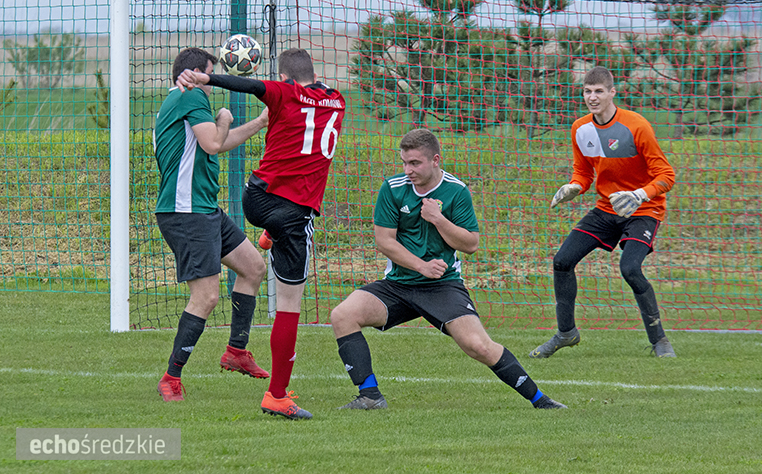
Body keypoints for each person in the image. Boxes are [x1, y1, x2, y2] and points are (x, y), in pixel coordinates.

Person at [330, 128, 567, 411]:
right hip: (399, 283)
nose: (408, 170)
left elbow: (471, 244)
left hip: (442, 285)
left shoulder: (456, 190)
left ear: (435, 160)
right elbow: (384, 241)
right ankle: (370, 396)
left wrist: (438, 219)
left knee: (478, 345)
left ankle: (541, 401)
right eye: (404, 162)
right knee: (343, 315)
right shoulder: (392, 188)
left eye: (415, 163)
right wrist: (421, 266)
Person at [176, 48, 346, 420]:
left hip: (256, 197)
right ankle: (277, 396)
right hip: (292, 212)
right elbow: (263, 87)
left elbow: (252, 85)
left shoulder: (283, 92)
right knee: (289, 306)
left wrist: (208, 79)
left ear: (282, 77)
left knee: (268, 254)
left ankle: (269, 236)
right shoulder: (337, 101)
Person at [529, 66, 677, 359]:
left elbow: (666, 175)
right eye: (587, 91)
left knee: (630, 269)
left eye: (599, 91)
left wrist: (639, 194)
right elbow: (583, 172)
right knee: (562, 261)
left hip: (643, 210)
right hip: (606, 209)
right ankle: (566, 333)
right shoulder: (580, 128)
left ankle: (660, 341)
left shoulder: (637, 126)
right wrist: (574, 186)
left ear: (612, 93)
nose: (592, 97)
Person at [154, 47, 270, 402]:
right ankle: (170, 378)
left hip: (203, 209)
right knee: (206, 297)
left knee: (252, 267)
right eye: (210, 73)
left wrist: (260, 122)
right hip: (186, 212)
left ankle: (236, 352)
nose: (212, 81)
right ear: (194, 74)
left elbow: (217, 143)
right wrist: (223, 117)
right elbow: (214, 141)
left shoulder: (186, 101)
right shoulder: (190, 97)